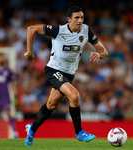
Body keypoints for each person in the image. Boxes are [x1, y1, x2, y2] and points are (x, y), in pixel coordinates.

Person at [24, 6, 108, 146]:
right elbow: (31, 29)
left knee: (51, 105)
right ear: (69, 19)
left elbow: (104, 52)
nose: (80, 20)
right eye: (76, 17)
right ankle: (79, 132)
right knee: (74, 96)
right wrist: (29, 52)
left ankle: (31, 130)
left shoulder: (86, 31)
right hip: (53, 69)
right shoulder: (59, 30)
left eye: (81, 17)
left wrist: (99, 54)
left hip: (69, 74)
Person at [0, 53, 18, 138]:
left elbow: (13, 83)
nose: (2, 58)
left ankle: (14, 132)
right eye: (1, 57)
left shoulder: (8, 70)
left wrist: (15, 95)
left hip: (5, 96)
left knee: (8, 113)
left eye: (3, 57)